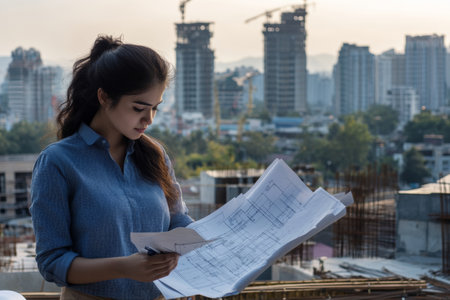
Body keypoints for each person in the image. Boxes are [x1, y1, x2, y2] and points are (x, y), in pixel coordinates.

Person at [30, 35, 193, 300]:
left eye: (155, 108)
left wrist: (214, 233)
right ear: (104, 97)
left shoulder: (154, 154)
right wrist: (124, 267)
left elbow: (176, 220)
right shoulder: (58, 162)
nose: (149, 119)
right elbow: (52, 262)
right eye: (139, 107)